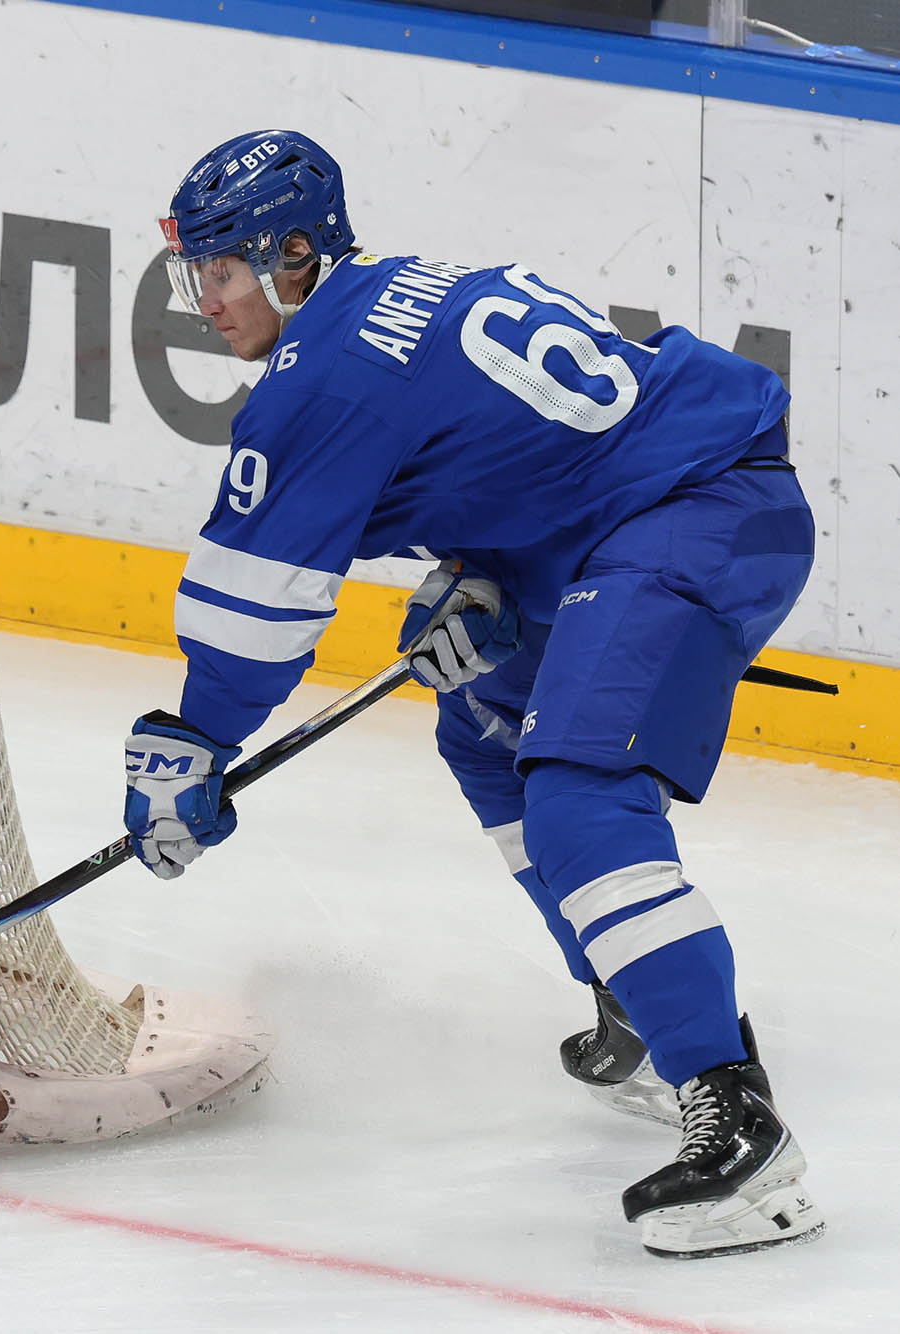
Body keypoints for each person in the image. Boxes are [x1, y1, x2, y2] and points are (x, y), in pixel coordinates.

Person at [122, 131, 823, 1257]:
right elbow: (544, 443)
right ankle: (641, 1008)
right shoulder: (403, 289)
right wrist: (487, 568)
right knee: (484, 725)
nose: (201, 297)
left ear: (292, 252)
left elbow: (255, 608)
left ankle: (738, 1120)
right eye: (191, 271)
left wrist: (192, 739)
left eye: (219, 268)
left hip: (695, 511)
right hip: (636, 505)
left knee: (580, 787)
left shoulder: (318, 382)